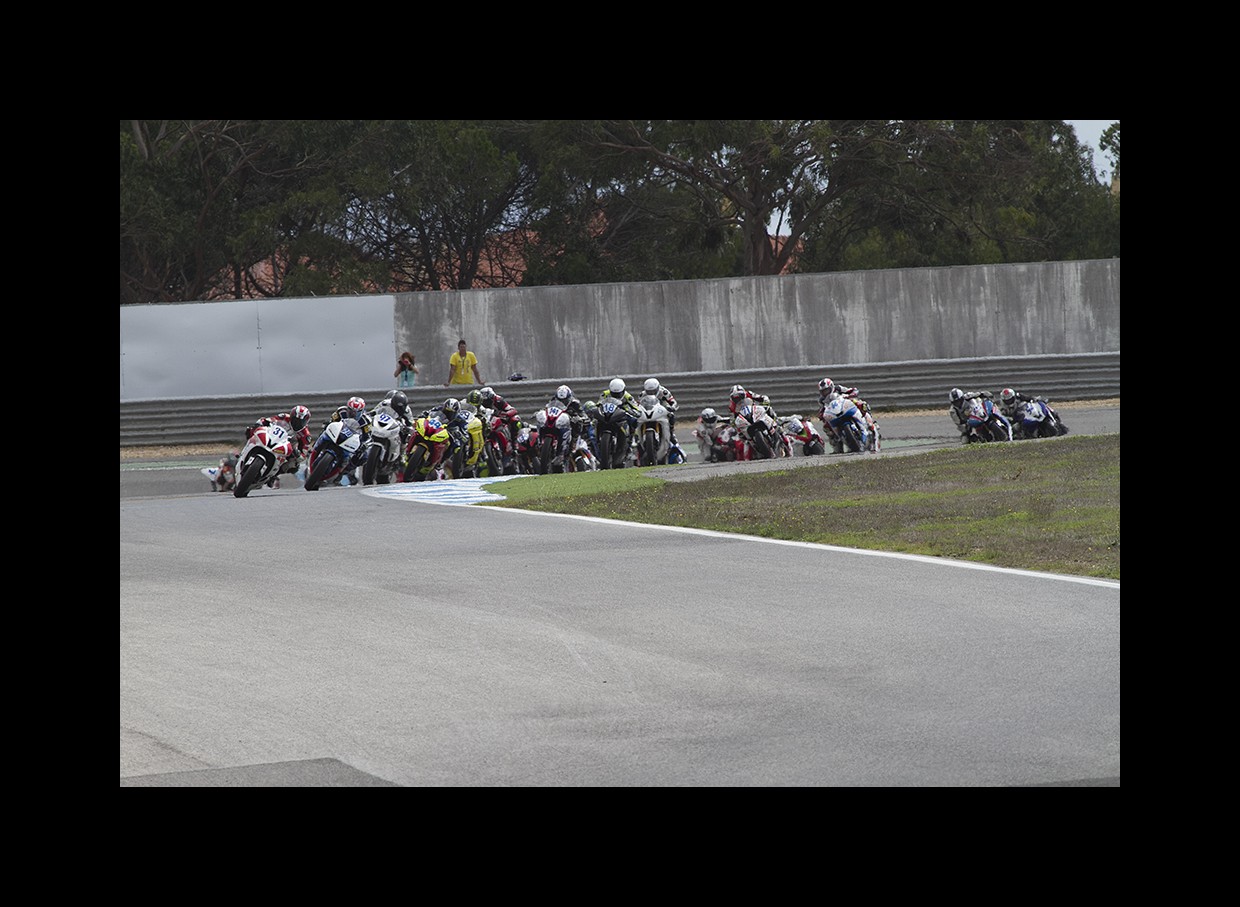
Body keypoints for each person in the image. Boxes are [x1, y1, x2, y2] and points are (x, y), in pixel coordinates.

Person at [245, 405, 313, 487]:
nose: (297, 423)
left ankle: (274, 475)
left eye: (300, 422)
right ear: (291, 416)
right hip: (272, 437)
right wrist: (260, 423)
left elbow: (304, 452)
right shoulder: (284, 417)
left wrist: (298, 454)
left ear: (306, 422)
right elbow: (269, 420)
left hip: (286, 448)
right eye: (295, 420)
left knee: (294, 466)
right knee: (251, 431)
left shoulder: (306, 435)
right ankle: (246, 451)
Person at [467, 386, 521, 458]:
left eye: (488, 401)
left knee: (515, 420)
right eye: (484, 401)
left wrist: (505, 414)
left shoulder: (499, 400)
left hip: (502, 418)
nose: (486, 403)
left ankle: (514, 442)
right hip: (488, 419)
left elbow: (513, 410)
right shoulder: (479, 404)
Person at [641, 378, 680, 444]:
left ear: (658, 388)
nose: (651, 393)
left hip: (662, 406)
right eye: (649, 392)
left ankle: (671, 433)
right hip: (649, 408)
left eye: (653, 391)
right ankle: (637, 436)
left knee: (671, 415)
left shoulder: (664, 392)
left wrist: (672, 407)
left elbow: (673, 401)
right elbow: (638, 404)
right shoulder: (642, 394)